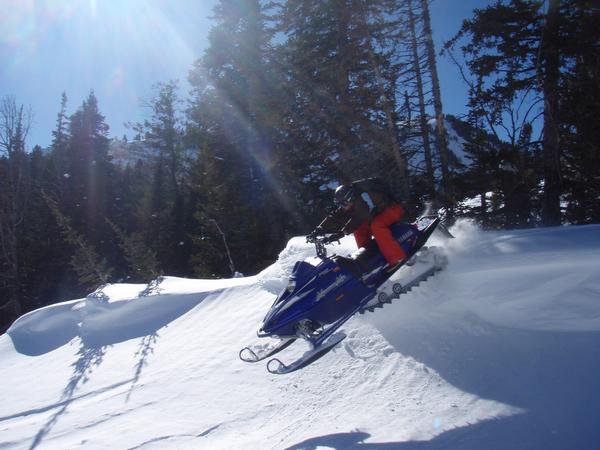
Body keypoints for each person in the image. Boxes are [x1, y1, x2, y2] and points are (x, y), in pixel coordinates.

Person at [316, 178, 407, 271]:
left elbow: (359, 218)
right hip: (378, 213)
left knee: (377, 226)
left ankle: (397, 259)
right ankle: (368, 262)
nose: (342, 207)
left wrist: (342, 233)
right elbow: (337, 214)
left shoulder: (364, 197)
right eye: (340, 204)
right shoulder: (351, 201)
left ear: (350, 198)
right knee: (359, 230)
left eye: (343, 203)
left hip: (393, 208)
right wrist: (319, 228)